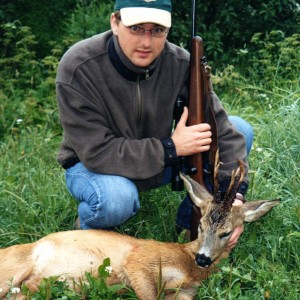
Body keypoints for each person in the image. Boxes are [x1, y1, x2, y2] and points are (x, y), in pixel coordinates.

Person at [55, 0, 253, 248]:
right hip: (95, 166)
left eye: (157, 30)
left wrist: (231, 199)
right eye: (136, 28)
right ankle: (86, 231)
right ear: (115, 22)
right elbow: (97, 152)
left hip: (159, 159)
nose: (146, 42)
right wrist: (171, 148)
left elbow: (224, 131)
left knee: (241, 130)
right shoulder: (78, 65)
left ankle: (189, 223)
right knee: (117, 199)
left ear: (167, 31)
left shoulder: (182, 63)